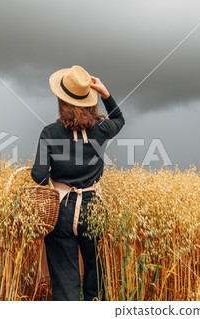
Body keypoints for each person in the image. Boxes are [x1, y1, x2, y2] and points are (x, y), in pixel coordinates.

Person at [31, 65, 125, 301]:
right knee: (96, 273)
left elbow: (38, 174)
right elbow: (119, 118)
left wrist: (56, 180)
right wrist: (105, 93)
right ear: (89, 101)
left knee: (65, 282)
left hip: (61, 210)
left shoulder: (50, 132)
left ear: (61, 101)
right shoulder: (101, 130)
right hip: (93, 209)